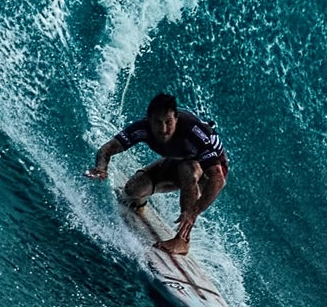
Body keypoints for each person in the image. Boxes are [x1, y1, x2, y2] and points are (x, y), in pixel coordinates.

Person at [85, 93, 228, 256]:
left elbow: (218, 179)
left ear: (177, 118)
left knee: (187, 169)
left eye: (169, 122)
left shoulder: (194, 133)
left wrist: (193, 212)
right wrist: (101, 168)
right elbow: (107, 149)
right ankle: (140, 204)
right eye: (157, 123)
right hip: (180, 160)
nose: (163, 129)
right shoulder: (142, 129)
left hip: (210, 171)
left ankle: (182, 240)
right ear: (149, 119)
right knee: (132, 191)